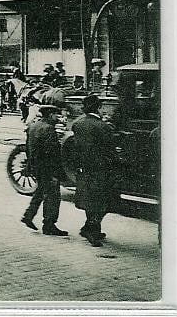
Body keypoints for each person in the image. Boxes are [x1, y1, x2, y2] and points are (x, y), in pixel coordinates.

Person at [71, 94, 117, 247]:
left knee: (89, 200)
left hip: (84, 168)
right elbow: (109, 149)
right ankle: (91, 230)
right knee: (101, 201)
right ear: (98, 107)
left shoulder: (77, 123)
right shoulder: (102, 126)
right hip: (100, 169)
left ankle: (91, 228)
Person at [21, 103, 68, 237]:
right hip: (47, 168)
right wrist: (56, 173)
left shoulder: (33, 126)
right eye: (55, 115)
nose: (57, 118)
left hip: (36, 166)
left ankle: (28, 216)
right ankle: (49, 225)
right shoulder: (48, 129)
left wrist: (30, 165)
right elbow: (51, 153)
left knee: (41, 191)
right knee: (53, 196)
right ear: (50, 115)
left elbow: (28, 148)